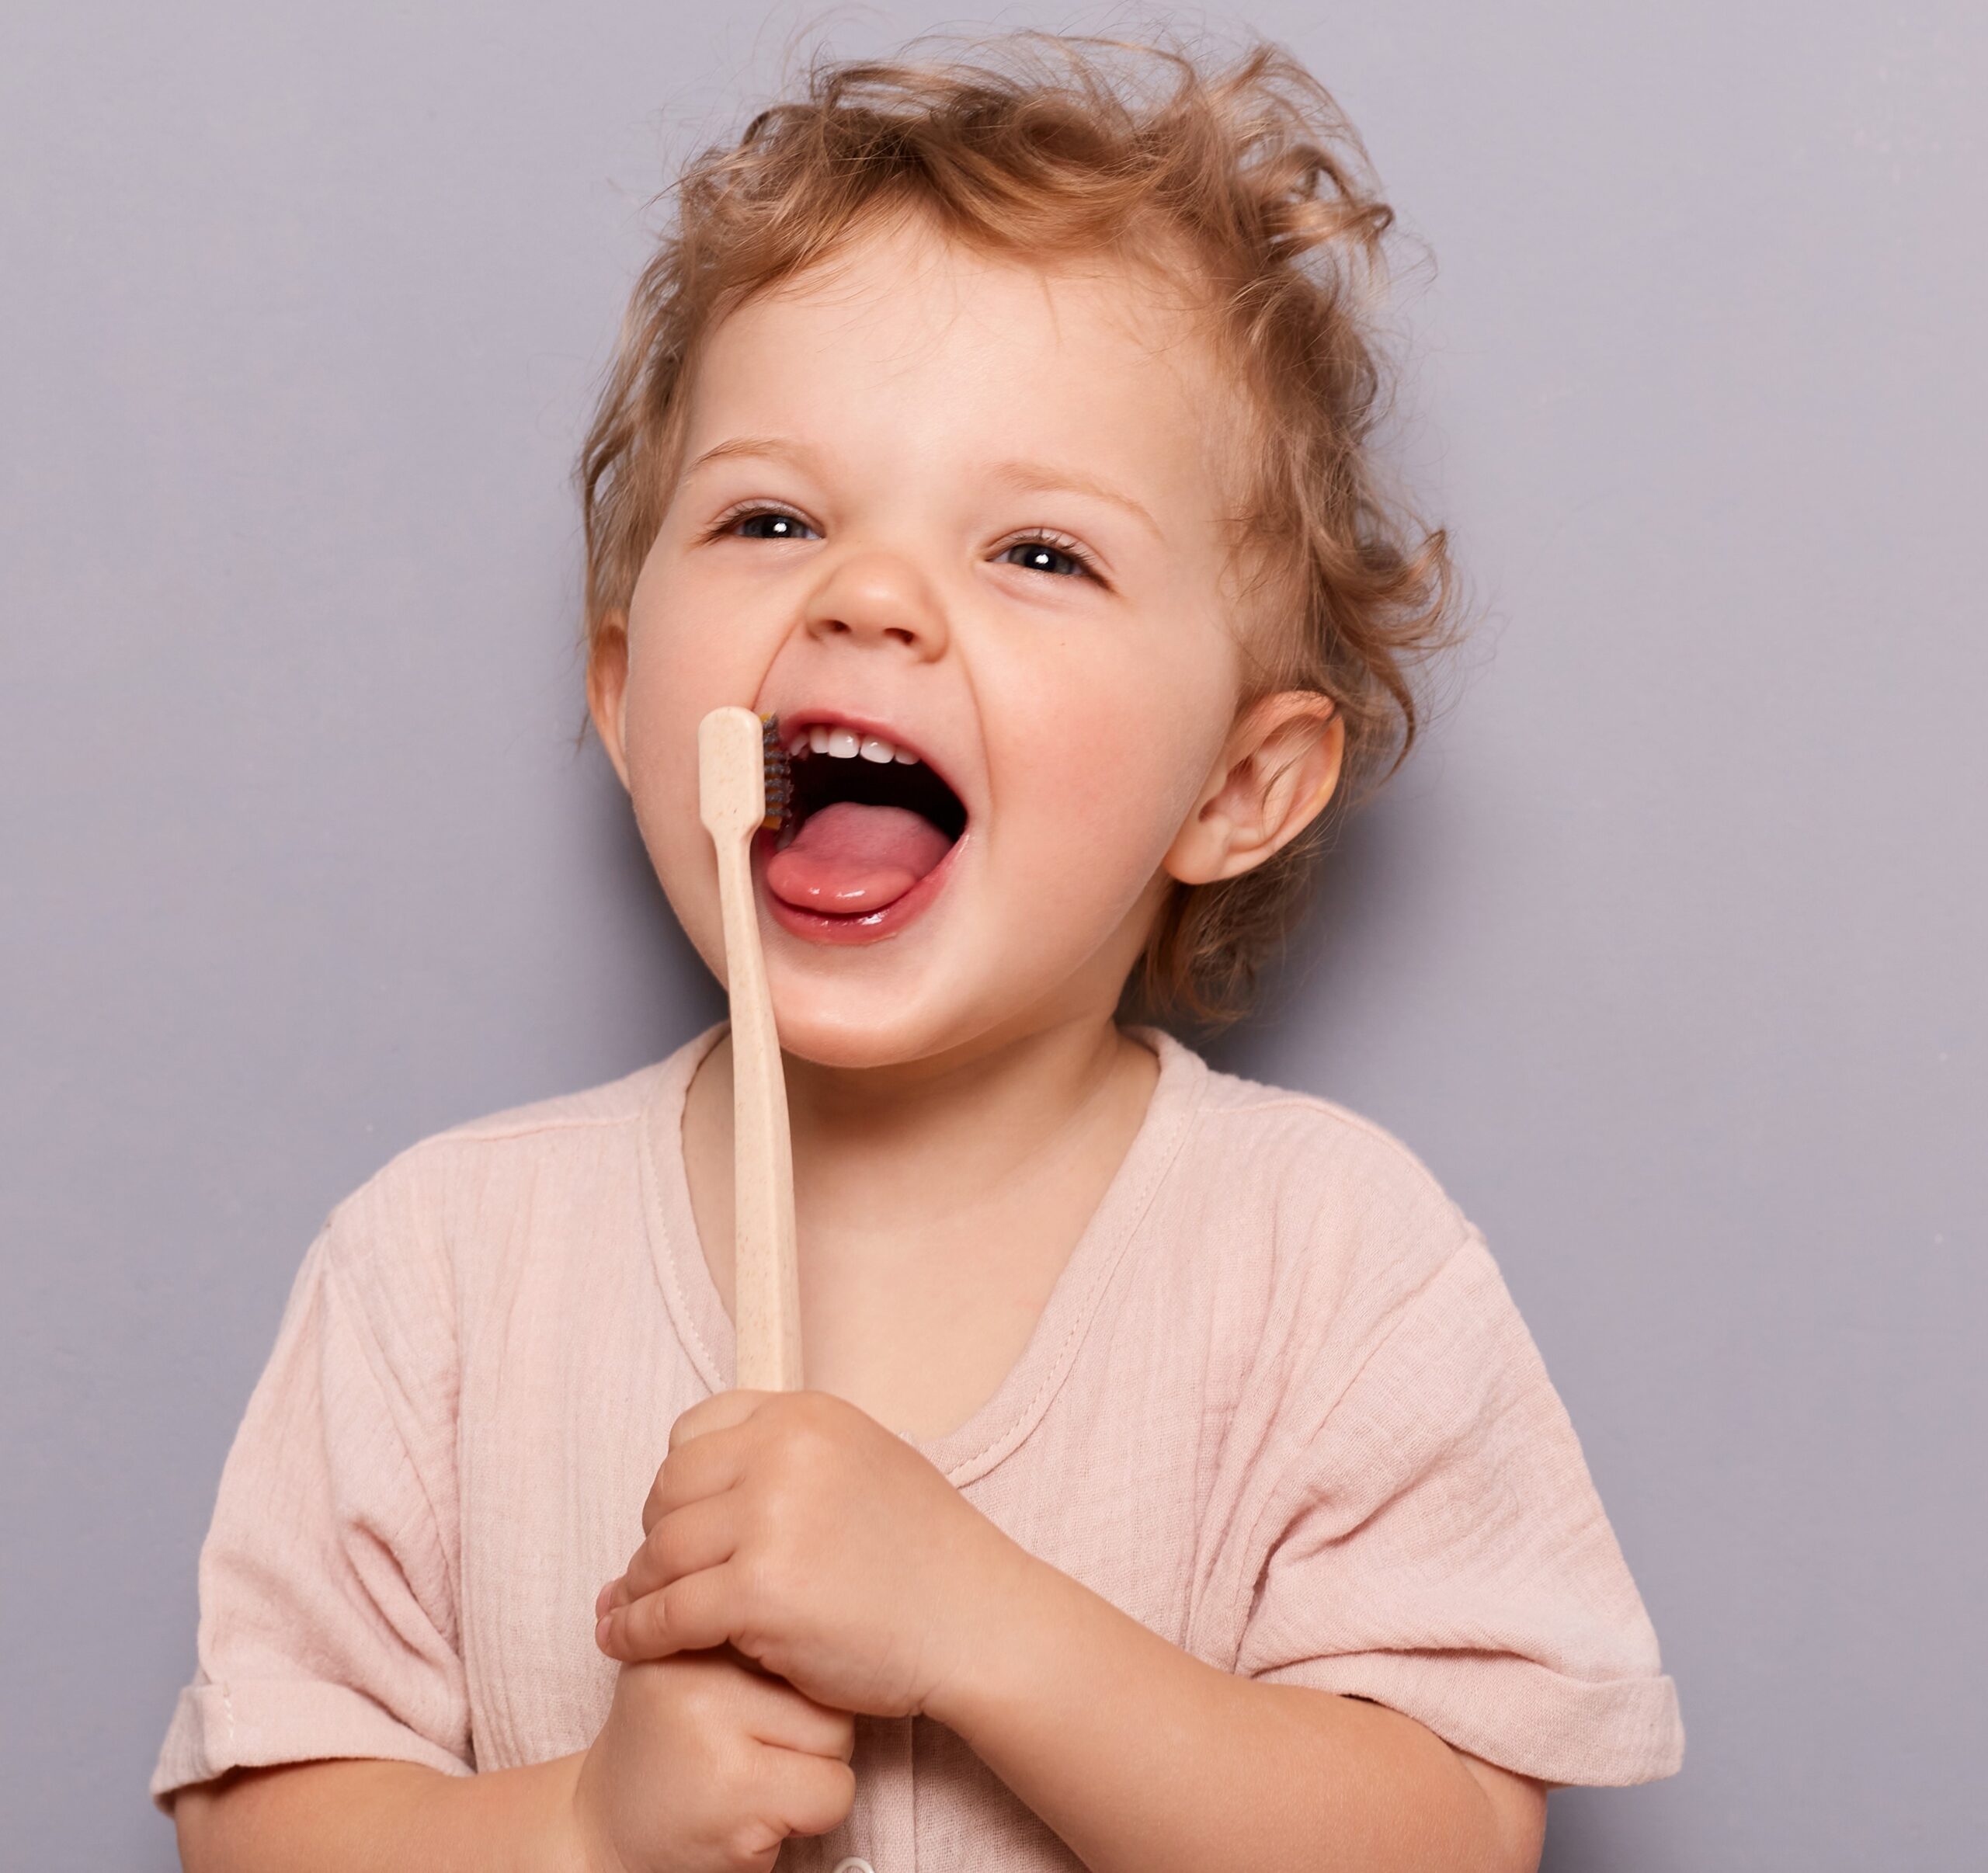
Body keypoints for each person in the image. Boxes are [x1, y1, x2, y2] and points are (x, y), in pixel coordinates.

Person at [157, 30, 1683, 1873]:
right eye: (771, 517)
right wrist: (582, 1827)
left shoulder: (1330, 1270)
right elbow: (260, 1823)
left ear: (1239, 782)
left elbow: (1448, 1837)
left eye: (1038, 554)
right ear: (635, 699)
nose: (866, 594)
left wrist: (979, 1624)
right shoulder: (439, 1275)